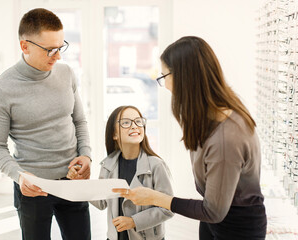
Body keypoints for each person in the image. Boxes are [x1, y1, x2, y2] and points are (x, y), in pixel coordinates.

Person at [113, 36, 267, 240]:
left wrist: (156, 198)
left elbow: (213, 211)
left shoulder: (226, 139)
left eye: (164, 76)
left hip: (236, 227)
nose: (165, 85)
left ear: (184, 77)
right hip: (215, 223)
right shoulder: (210, 117)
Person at [0, 8, 91, 240]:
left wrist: (86, 155)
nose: (58, 56)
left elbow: (79, 121)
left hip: (73, 182)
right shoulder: (1, 90)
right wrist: (19, 175)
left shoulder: (67, 74)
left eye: (61, 47)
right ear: (25, 46)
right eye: (50, 50)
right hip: (32, 188)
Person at [68, 105, 174, 240]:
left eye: (138, 121)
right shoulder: (108, 165)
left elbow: (168, 208)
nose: (135, 126)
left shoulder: (156, 165)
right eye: (126, 122)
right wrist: (81, 182)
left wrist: (134, 221)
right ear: (114, 134)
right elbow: (101, 202)